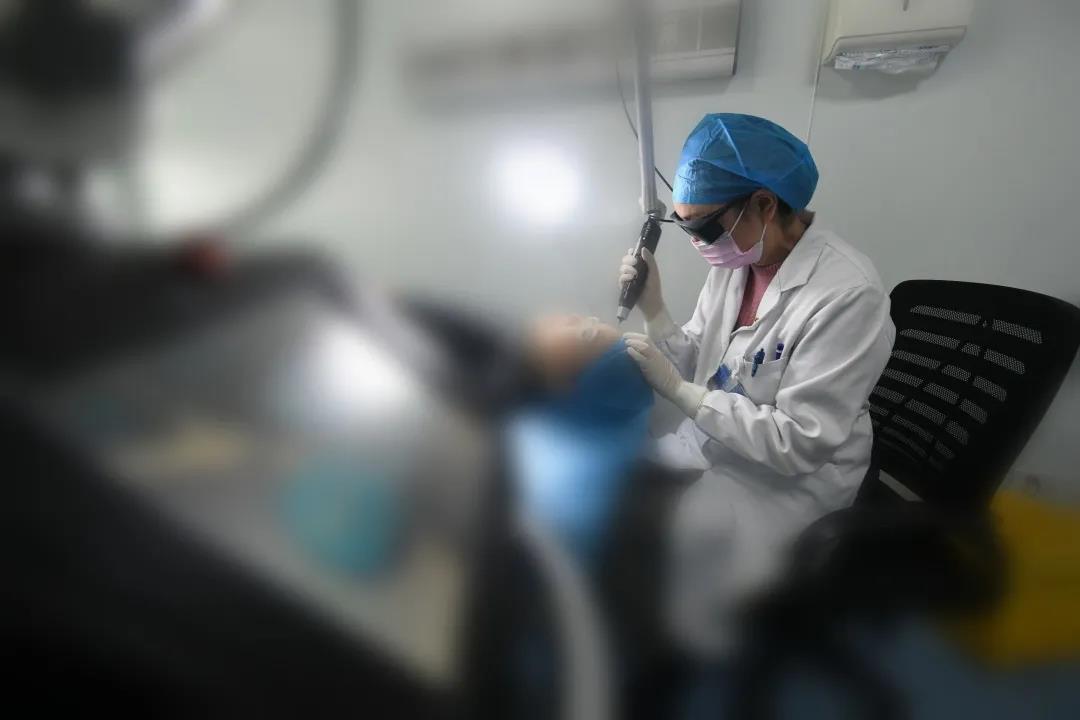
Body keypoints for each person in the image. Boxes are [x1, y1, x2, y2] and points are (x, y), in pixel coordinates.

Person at [618, 113, 896, 655]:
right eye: (684, 227)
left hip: (790, 479)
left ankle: (683, 647)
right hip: (720, 444)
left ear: (764, 204)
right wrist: (654, 310)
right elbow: (703, 360)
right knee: (619, 489)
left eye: (703, 227)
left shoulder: (849, 294)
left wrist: (681, 392)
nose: (698, 243)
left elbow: (799, 442)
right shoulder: (737, 260)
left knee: (665, 546)